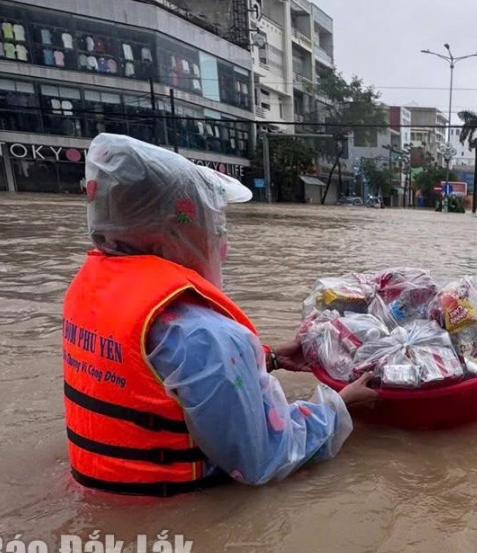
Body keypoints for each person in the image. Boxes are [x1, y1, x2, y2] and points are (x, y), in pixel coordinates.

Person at [62, 133, 376, 497]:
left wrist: (267, 357)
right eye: (214, 226)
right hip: (174, 510)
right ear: (169, 234)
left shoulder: (93, 292)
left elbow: (162, 376)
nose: (220, 241)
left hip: (99, 492)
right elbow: (264, 458)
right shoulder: (205, 334)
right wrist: (341, 405)